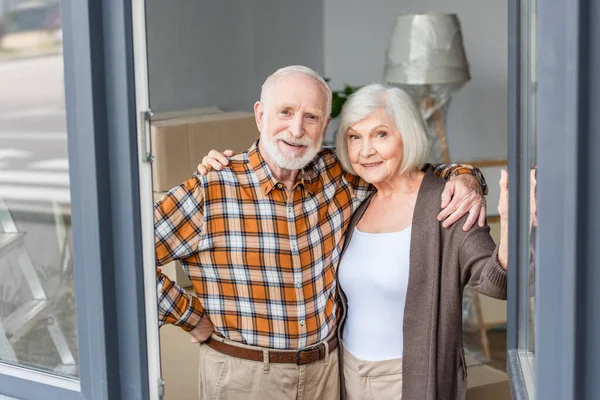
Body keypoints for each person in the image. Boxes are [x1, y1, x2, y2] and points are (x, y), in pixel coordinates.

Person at [155, 66, 488, 400]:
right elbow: (120, 258)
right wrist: (191, 317)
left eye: (311, 117)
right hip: (247, 376)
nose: (296, 128)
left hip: (328, 374)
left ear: (325, 125)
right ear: (260, 115)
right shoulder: (212, 187)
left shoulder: (338, 174)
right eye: (285, 112)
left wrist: (466, 178)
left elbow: (405, 172)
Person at [331, 83, 525, 400]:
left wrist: (511, 221)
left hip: (408, 378)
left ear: (407, 136)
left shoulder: (446, 201)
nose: (366, 150)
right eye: (355, 137)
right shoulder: (360, 200)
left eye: (381, 134)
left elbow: (498, 283)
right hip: (348, 372)